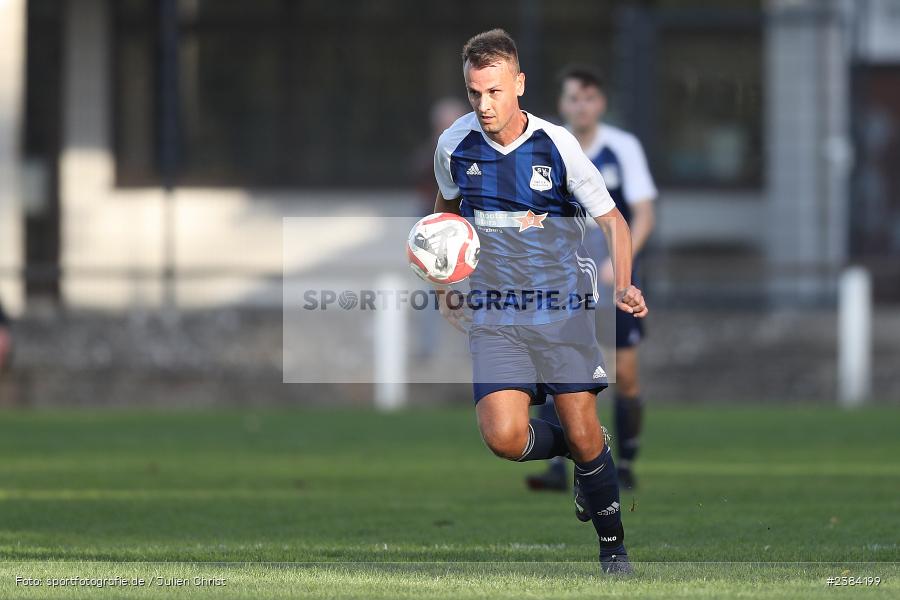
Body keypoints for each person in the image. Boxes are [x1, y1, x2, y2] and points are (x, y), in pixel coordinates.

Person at [432, 29, 647, 574]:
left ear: (519, 84)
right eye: (474, 93)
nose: (483, 105)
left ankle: (613, 549)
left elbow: (613, 220)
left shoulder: (557, 145)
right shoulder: (454, 145)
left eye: (495, 92)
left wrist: (624, 283)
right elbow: (444, 216)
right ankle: (582, 448)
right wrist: (444, 280)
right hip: (495, 311)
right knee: (503, 437)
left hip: (561, 306)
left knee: (580, 426)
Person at [527, 66, 657, 492]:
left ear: (600, 103)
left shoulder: (623, 147)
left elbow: (643, 214)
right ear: (562, 105)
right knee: (553, 369)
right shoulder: (548, 146)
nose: (581, 106)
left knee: (626, 372)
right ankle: (556, 468)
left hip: (615, 278)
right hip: (563, 280)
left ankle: (627, 462)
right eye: (573, 99)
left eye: (589, 98)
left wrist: (619, 264)